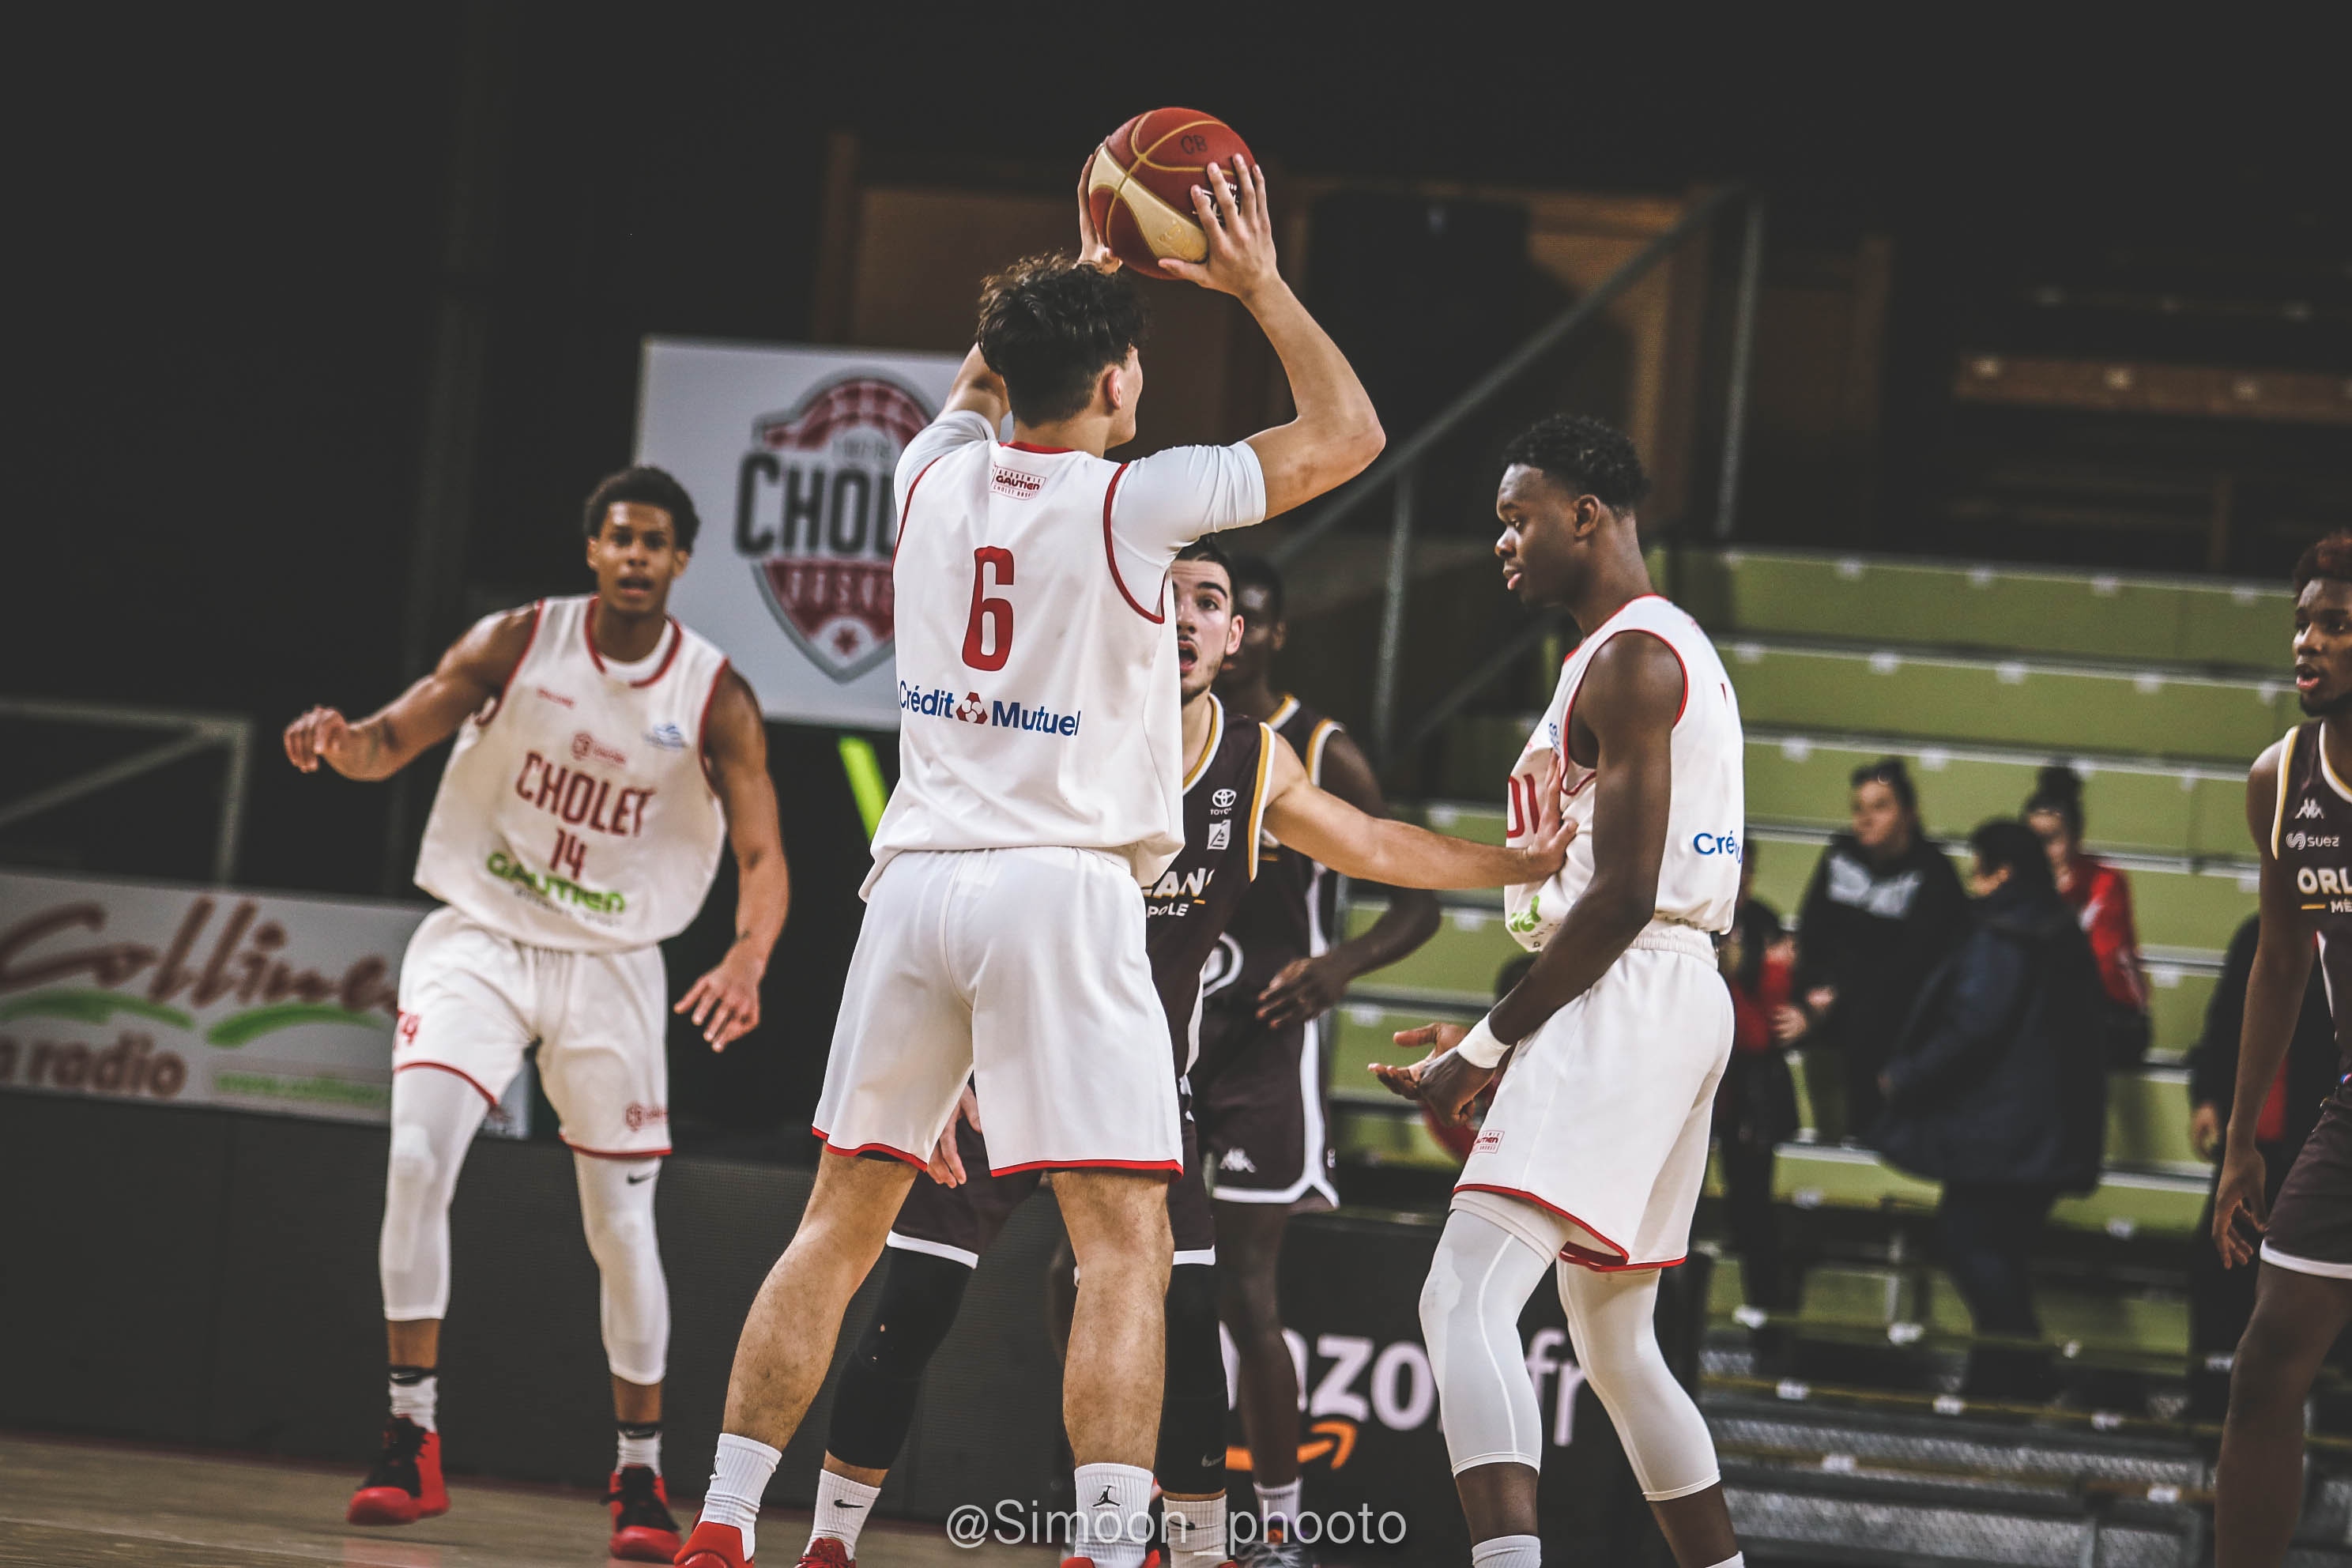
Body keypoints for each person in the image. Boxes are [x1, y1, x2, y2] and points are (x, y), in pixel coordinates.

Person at [680, 158, 1387, 1568]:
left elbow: (980, 381)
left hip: (920, 886)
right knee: (1126, 1240)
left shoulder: (926, 473)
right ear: (1122, 385)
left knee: (836, 1220)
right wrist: (1253, 283)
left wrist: (1069, 275)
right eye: (1128, 363)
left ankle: (719, 1520)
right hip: (1061, 887)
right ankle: (1110, 1545)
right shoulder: (1138, 505)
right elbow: (1347, 432)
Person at [788, 543, 1568, 1568]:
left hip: (1150, 1072)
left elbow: (1379, 851)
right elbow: (950, 896)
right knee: (920, 1297)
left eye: (1212, 603)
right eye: (1174, 600)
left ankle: (1189, 1544)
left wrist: (1515, 863)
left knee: (1201, 1305)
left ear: (1242, 633)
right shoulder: (1053, 726)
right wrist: (942, 1058)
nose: (1192, 619)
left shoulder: (1268, 756)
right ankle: (817, 1536)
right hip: (998, 1059)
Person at [281, 466, 790, 1561]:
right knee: (418, 1158)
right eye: (622, 539)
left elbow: (762, 852)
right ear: (594, 550)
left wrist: (749, 956)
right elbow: (390, 740)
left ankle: (643, 1476)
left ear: (682, 561)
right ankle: (409, 1437)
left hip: (612, 962)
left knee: (620, 1227)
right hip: (482, 935)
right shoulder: (517, 644)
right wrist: (339, 743)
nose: (638, 557)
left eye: (658, 542)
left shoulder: (714, 693)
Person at [1374, 413, 1750, 1568]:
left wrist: (1486, 1048)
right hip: (1659, 996)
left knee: (1463, 1297)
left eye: (1516, 516)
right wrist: (1531, 1030)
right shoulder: (1651, 649)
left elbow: (1628, 893)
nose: (1504, 542)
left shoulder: (1634, 657)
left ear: (1585, 516)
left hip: (1630, 986)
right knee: (1617, 1342)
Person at [1207, 552, 1442, 1555]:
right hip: (1166, 1034)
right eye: (1217, 613)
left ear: (1274, 632)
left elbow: (1419, 898)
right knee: (1085, 1274)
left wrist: (1338, 966)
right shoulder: (1160, 720)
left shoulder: (1318, 744)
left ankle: (1280, 1530)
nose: (1236, 634)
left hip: (1266, 1041)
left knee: (1243, 1292)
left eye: (1252, 617)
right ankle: (1108, 1485)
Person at [2212, 530, 2352, 1566]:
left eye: (2335, 626)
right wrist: (2242, 1144)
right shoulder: (2281, 776)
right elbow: (2278, 960)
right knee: (2263, 1369)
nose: (2308, 643)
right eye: (2303, 622)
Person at [1873, 820, 2105, 1400]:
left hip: (1998, 1134)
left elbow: (1973, 1026)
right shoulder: (2060, 930)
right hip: (2049, 1132)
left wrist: (1905, 1075)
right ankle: (1999, 1383)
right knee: (1998, 1253)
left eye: (1979, 867)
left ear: (2000, 871)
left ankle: (2027, 1368)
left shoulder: (2000, 934)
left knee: (1967, 1242)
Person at [2184, 914, 2333, 1422]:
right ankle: (2209, 1408)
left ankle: (2316, 1417)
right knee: (2219, 1268)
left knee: (2311, 1287)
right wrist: (2206, 1092)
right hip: (2252, 1145)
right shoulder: (2262, 930)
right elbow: (2226, 1019)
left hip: (2322, 1144)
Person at [1781, 758, 1969, 1140]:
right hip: (1833, 1001)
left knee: (1878, 1010)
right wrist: (1814, 995)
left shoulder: (1934, 873)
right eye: (1858, 808)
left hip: (1898, 1016)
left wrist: (1834, 995)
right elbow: (1814, 932)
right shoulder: (1840, 855)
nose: (1865, 819)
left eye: (1880, 807)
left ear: (1909, 814)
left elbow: (1914, 965)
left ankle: (1873, 1136)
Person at [1713, 842, 1798, 1320]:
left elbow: (1762, 1034)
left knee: (1753, 1214)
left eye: (1747, 868)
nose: (1741, 878)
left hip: (1746, 1090)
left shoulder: (1761, 921)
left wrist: (1778, 980)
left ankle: (1767, 1322)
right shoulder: (1690, 916)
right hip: (1699, 1079)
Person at [2024, 764, 2151, 1065]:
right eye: (2033, 841)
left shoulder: (2104, 883)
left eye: (2051, 840)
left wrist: (2057, 895)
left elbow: (2101, 970)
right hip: (2048, 1017)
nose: (2041, 853)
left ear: (2076, 838)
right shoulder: (2021, 883)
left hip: (2116, 1018)